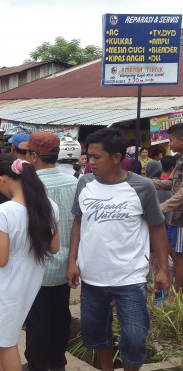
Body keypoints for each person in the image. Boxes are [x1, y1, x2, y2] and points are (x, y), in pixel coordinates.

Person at [67, 128, 171, 371]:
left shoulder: (142, 187)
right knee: (97, 335)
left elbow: (157, 228)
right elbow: (78, 222)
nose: (90, 163)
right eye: (88, 156)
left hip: (130, 277)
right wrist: (72, 261)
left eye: (96, 157)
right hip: (93, 278)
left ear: (116, 157)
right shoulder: (84, 183)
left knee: (135, 338)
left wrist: (163, 269)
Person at [0, 153, 60, 371]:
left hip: (5, 285)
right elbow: (54, 248)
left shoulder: (3, 212)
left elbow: (1, 259)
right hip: (29, 281)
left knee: (6, 343)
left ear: (2, 178)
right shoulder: (49, 206)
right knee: (5, 338)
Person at [23, 132, 78, 371]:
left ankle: (37, 365)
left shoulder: (30, 187)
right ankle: (57, 363)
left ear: (33, 155)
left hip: (37, 268)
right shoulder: (76, 183)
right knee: (60, 316)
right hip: (67, 265)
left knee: (37, 320)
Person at [153, 124, 183, 292]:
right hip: (175, 218)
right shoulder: (179, 159)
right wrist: (147, 182)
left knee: (179, 258)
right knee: (175, 254)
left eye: (171, 140)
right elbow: (171, 184)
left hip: (181, 219)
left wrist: (162, 206)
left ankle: (179, 297)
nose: (169, 144)